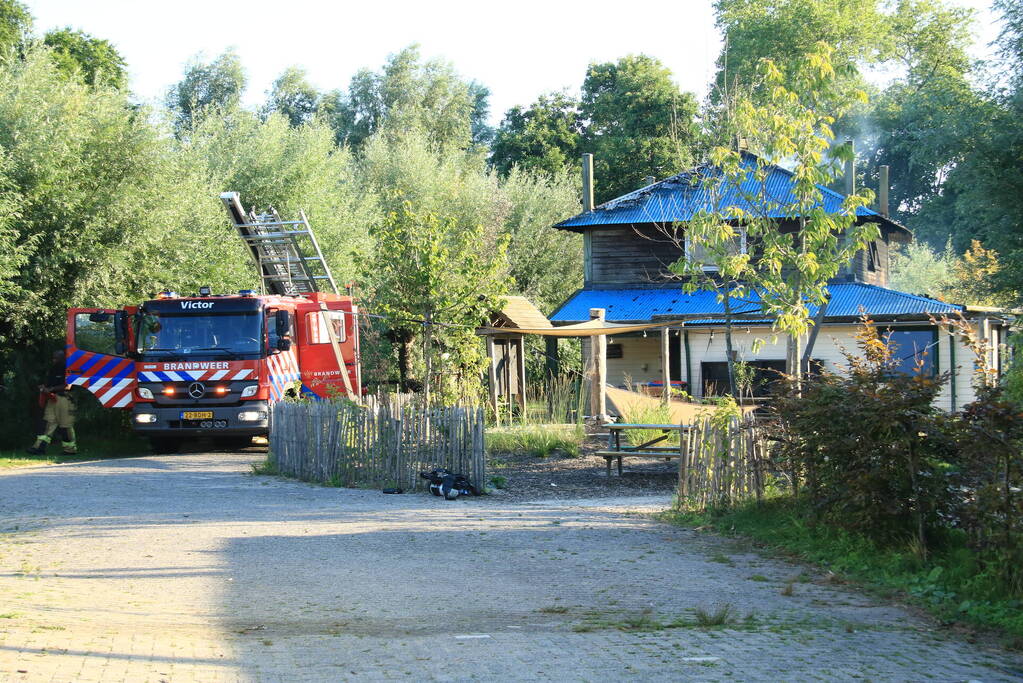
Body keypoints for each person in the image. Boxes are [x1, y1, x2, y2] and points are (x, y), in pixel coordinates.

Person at [27, 351, 76, 456]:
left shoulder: (69, 369)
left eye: (56, 358)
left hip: (65, 399)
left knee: (65, 426)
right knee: (47, 423)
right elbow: (49, 384)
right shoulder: (53, 369)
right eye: (53, 358)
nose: (54, 360)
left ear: (63, 358)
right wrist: (44, 388)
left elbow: (68, 386)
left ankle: (70, 450)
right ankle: (39, 448)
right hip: (52, 399)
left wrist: (51, 389)